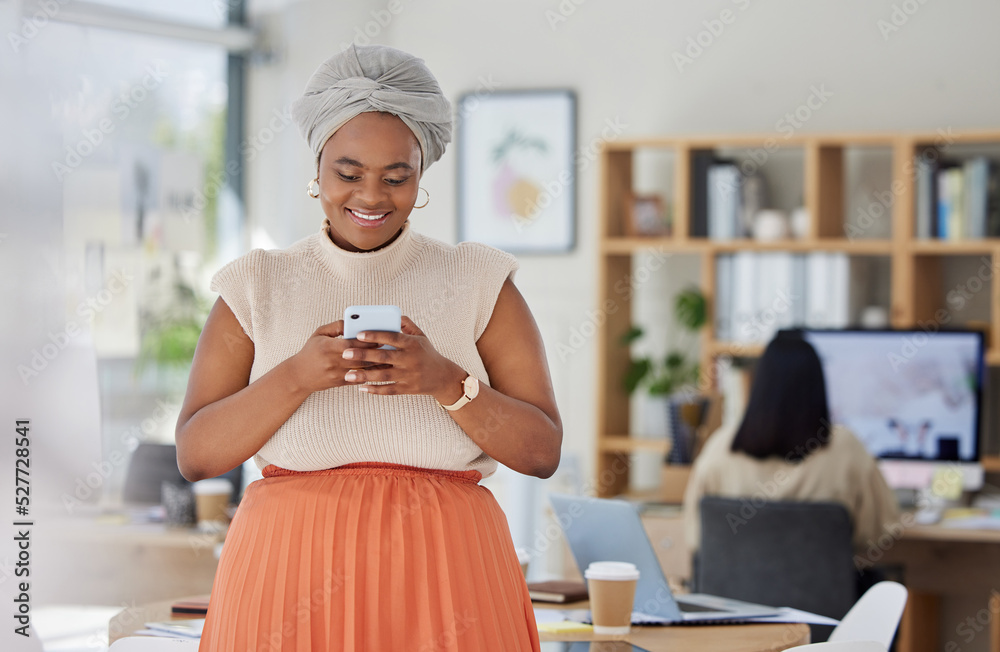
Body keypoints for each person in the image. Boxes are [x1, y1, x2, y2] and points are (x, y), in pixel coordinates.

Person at [175, 44, 562, 652]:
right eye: (348, 173)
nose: (371, 196)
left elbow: (541, 452)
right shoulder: (257, 283)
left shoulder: (479, 280)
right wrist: (296, 376)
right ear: (319, 169)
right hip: (288, 574)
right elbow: (196, 455)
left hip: (448, 576)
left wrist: (447, 383)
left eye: (396, 176)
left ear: (421, 174)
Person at [682, 332, 899, 554]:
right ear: (817, 386)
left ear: (759, 384)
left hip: (729, 589)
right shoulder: (846, 448)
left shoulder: (721, 448)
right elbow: (878, 532)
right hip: (823, 588)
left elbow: (696, 537)